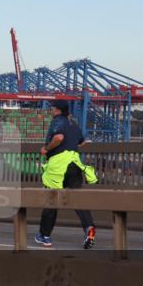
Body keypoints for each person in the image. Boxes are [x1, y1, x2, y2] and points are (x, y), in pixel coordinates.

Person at [34, 100, 98, 248]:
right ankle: (89, 227)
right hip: (74, 164)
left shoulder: (58, 121)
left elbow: (58, 138)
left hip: (58, 167)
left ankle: (45, 236)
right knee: (77, 199)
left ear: (57, 110)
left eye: (52, 108)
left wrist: (47, 149)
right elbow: (82, 142)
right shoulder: (73, 123)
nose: (51, 111)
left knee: (51, 200)